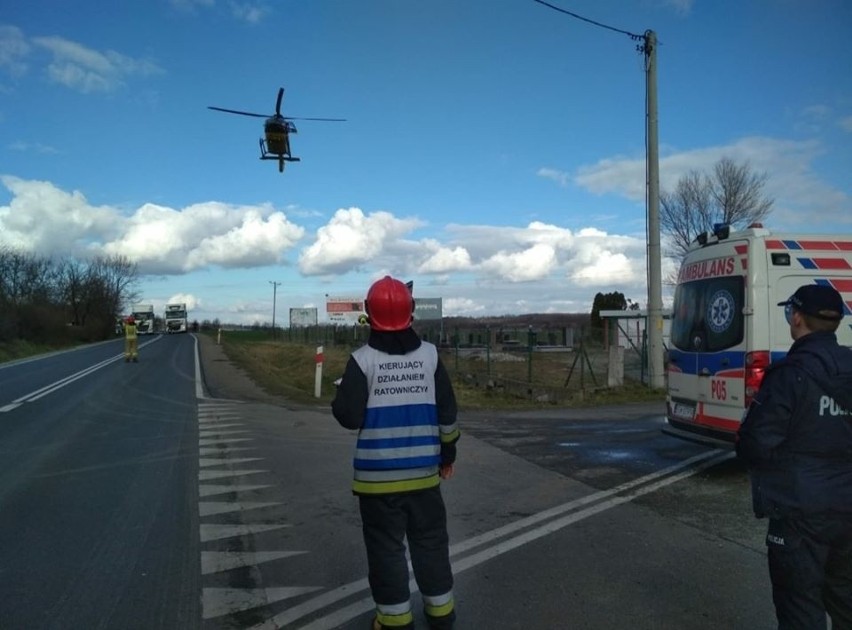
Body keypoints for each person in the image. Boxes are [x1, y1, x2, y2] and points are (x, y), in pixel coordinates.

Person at [332, 276, 460, 630]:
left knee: (386, 550)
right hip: (424, 477)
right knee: (431, 543)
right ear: (412, 313)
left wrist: (339, 397)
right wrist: (447, 456)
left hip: (378, 484)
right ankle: (440, 613)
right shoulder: (431, 357)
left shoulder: (362, 361)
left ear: (369, 315)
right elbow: (447, 415)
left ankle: (394, 620)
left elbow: (349, 416)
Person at [736, 284, 852, 629]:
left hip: (800, 512)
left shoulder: (789, 376)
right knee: (847, 600)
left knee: (800, 607)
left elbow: (754, 443)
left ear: (797, 318)